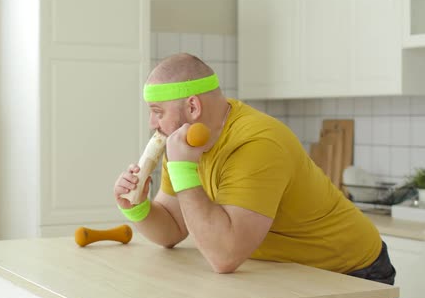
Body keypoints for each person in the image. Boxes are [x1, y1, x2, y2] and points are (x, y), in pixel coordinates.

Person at [113, 53, 396, 285]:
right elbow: (173, 229)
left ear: (193, 106)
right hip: (286, 271)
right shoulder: (184, 145)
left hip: (352, 271)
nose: (152, 123)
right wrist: (137, 206)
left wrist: (183, 169)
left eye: (158, 111)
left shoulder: (258, 143)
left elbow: (224, 256)